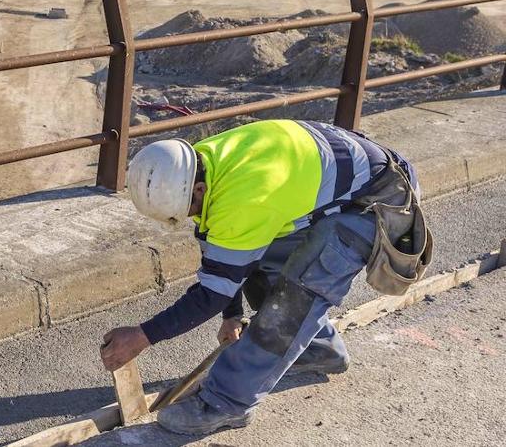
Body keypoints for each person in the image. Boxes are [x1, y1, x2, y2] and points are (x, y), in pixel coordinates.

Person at [100, 119, 431, 436]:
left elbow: (211, 292)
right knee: (258, 262)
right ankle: (319, 349)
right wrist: (232, 315)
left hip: (375, 203)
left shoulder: (242, 198)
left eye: (184, 211)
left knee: (294, 301)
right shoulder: (198, 161)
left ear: (197, 189)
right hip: (340, 188)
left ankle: (225, 403)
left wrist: (143, 336)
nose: (187, 217)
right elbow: (219, 252)